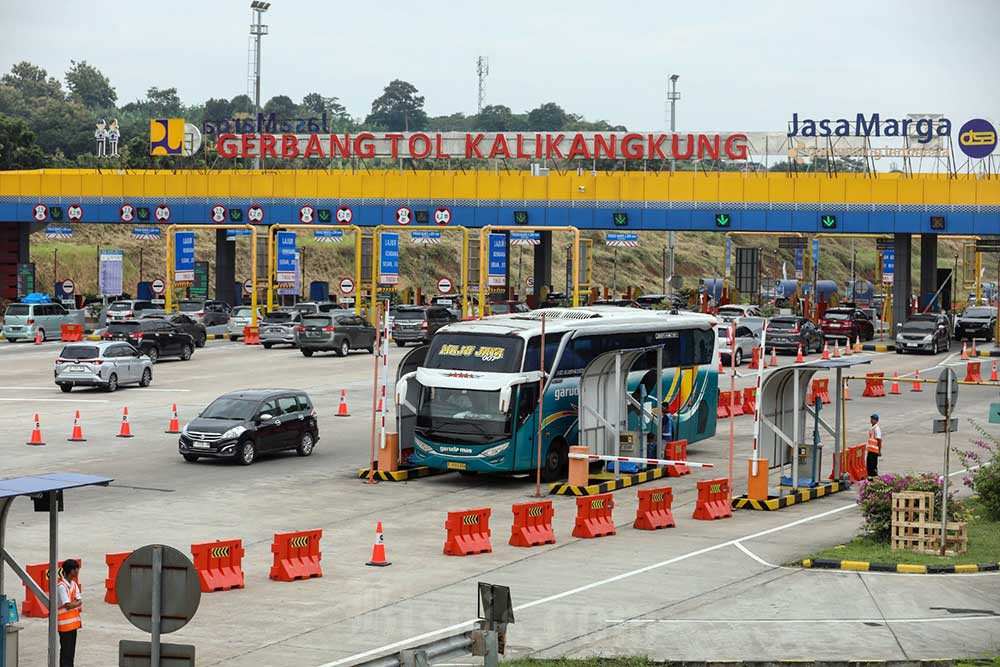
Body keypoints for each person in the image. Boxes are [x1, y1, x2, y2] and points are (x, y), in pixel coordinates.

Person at [57, 559, 82, 667]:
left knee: (71, 653)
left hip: (73, 625)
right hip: (64, 625)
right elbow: (67, 605)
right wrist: (76, 603)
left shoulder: (73, 584)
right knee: (66, 653)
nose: (78, 571)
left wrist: (75, 603)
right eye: (77, 569)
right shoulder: (62, 586)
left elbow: (79, 601)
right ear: (72, 571)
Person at [866, 413, 883, 479]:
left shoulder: (876, 429)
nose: (872, 420)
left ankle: (874, 477)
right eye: (871, 418)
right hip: (870, 449)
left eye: (873, 419)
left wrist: (879, 450)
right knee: (869, 465)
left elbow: (879, 440)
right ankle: (870, 477)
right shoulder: (872, 428)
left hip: (874, 450)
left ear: (876, 420)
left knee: (873, 465)